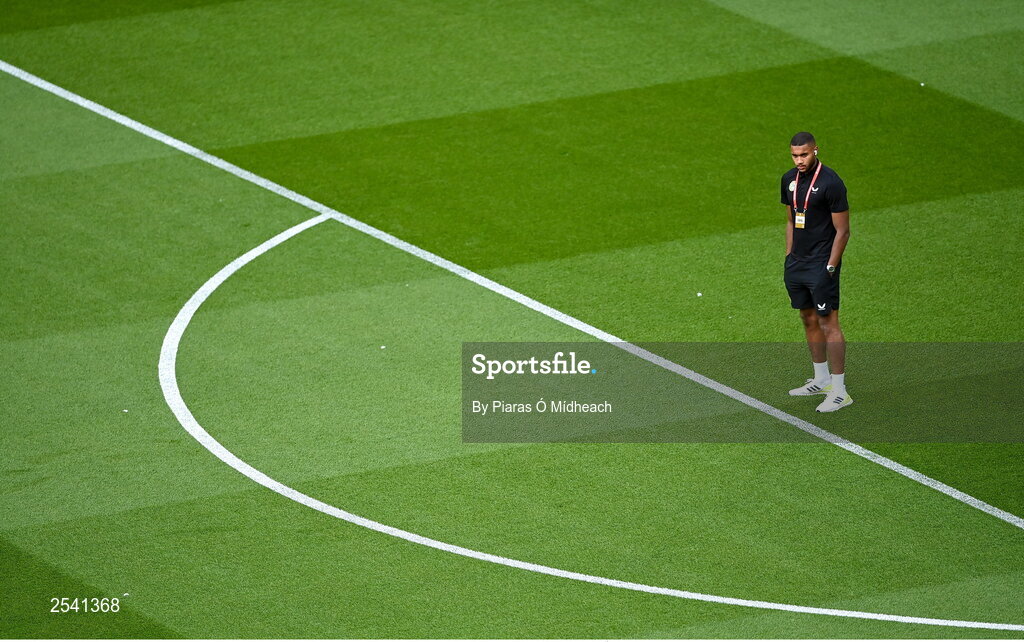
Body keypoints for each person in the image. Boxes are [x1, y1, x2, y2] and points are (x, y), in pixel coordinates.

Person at [781, 132, 852, 412]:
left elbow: (843, 231)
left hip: (822, 264)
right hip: (797, 263)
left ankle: (840, 390)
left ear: (815, 151)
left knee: (828, 323)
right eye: (795, 155)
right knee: (808, 318)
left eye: (804, 155)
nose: (799, 160)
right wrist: (789, 256)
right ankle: (821, 379)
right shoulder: (788, 180)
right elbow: (790, 220)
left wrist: (831, 267)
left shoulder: (831, 183)